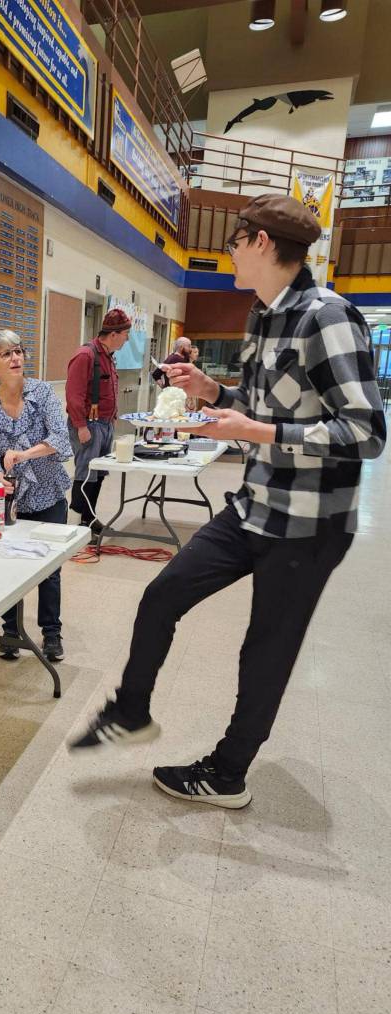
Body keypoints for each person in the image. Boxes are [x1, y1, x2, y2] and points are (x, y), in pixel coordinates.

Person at [69, 194, 386, 808]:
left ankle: (228, 772)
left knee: (265, 646)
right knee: (162, 596)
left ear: (261, 242)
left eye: (235, 243)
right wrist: (213, 390)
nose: (230, 255)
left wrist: (256, 433)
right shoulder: (262, 315)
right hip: (254, 504)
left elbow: (366, 432)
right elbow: (267, 403)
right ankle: (132, 709)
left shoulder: (330, 316)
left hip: (308, 523)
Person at [0, 329, 72, 662]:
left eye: (18, 351)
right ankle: (11, 631)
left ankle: (51, 634)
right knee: (8, 565)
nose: (16, 358)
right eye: (6, 354)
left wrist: (23, 454)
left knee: (49, 568)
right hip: (11, 500)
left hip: (49, 494)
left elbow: (60, 438)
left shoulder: (42, 393)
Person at [66, 308, 131, 530]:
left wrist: (111, 419)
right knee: (86, 473)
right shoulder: (86, 355)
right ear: (114, 334)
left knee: (99, 473)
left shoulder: (109, 357)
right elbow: (74, 395)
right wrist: (81, 426)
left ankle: (89, 519)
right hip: (88, 425)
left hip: (105, 424)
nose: (127, 339)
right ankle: (75, 525)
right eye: (125, 334)